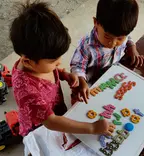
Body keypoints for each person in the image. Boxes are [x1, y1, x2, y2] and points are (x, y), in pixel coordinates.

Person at [10, 1, 115, 137]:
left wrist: (65, 75)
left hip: (56, 108)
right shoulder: (27, 91)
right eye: (54, 61)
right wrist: (92, 128)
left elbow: (51, 71)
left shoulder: (37, 61)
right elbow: (52, 122)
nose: (59, 62)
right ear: (27, 62)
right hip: (40, 128)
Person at [70, 0, 144, 104]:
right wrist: (82, 82)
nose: (113, 43)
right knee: (80, 107)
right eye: (107, 36)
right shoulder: (86, 45)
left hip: (110, 80)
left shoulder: (122, 32)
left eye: (119, 38)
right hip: (89, 85)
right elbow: (77, 66)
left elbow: (128, 38)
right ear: (96, 23)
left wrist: (132, 47)